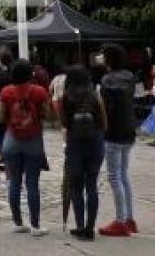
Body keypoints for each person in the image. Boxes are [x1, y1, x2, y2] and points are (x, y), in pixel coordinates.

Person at [0, 59, 51, 237]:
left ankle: (18, 222)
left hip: (11, 140)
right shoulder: (39, 91)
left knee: (14, 181)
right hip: (34, 141)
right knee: (32, 183)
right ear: (31, 74)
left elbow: (0, 117)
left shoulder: (6, 91)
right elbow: (48, 115)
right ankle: (35, 226)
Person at [60, 66, 107, 241]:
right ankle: (90, 228)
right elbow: (104, 123)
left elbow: (64, 122)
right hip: (95, 145)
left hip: (75, 146)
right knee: (92, 186)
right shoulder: (95, 96)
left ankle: (79, 226)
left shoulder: (67, 97)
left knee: (76, 188)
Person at [98, 44, 138, 237]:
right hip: (129, 131)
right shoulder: (130, 76)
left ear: (109, 59)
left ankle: (120, 221)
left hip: (113, 133)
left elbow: (104, 108)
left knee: (114, 176)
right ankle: (129, 219)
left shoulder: (106, 80)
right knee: (123, 175)